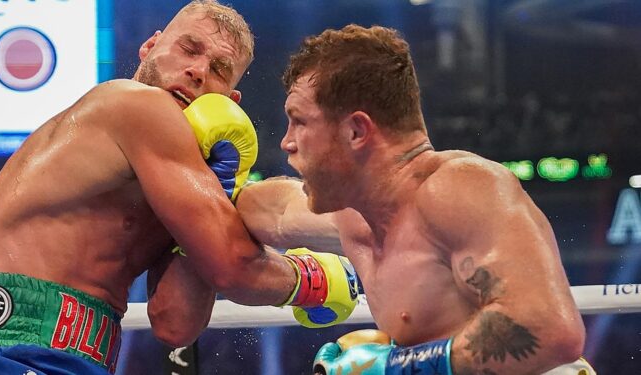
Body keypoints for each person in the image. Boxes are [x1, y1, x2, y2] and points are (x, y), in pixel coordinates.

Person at [0, 2, 357, 374]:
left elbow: (176, 324)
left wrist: (218, 192)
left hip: (59, 357)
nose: (197, 71)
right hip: (9, 352)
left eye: (219, 70)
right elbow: (233, 267)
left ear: (231, 98)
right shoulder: (133, 103)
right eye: (189, 49)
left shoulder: (171, 181)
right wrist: (314, 279)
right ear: (150, 46)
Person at [235, 24, 593, 374]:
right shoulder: (355, 215)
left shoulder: (461, 188)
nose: (287, 142)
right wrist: (205, 174)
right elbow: (273, 211)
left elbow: (550, 331)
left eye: (299, 122)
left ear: (356, 131)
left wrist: (392, 367)